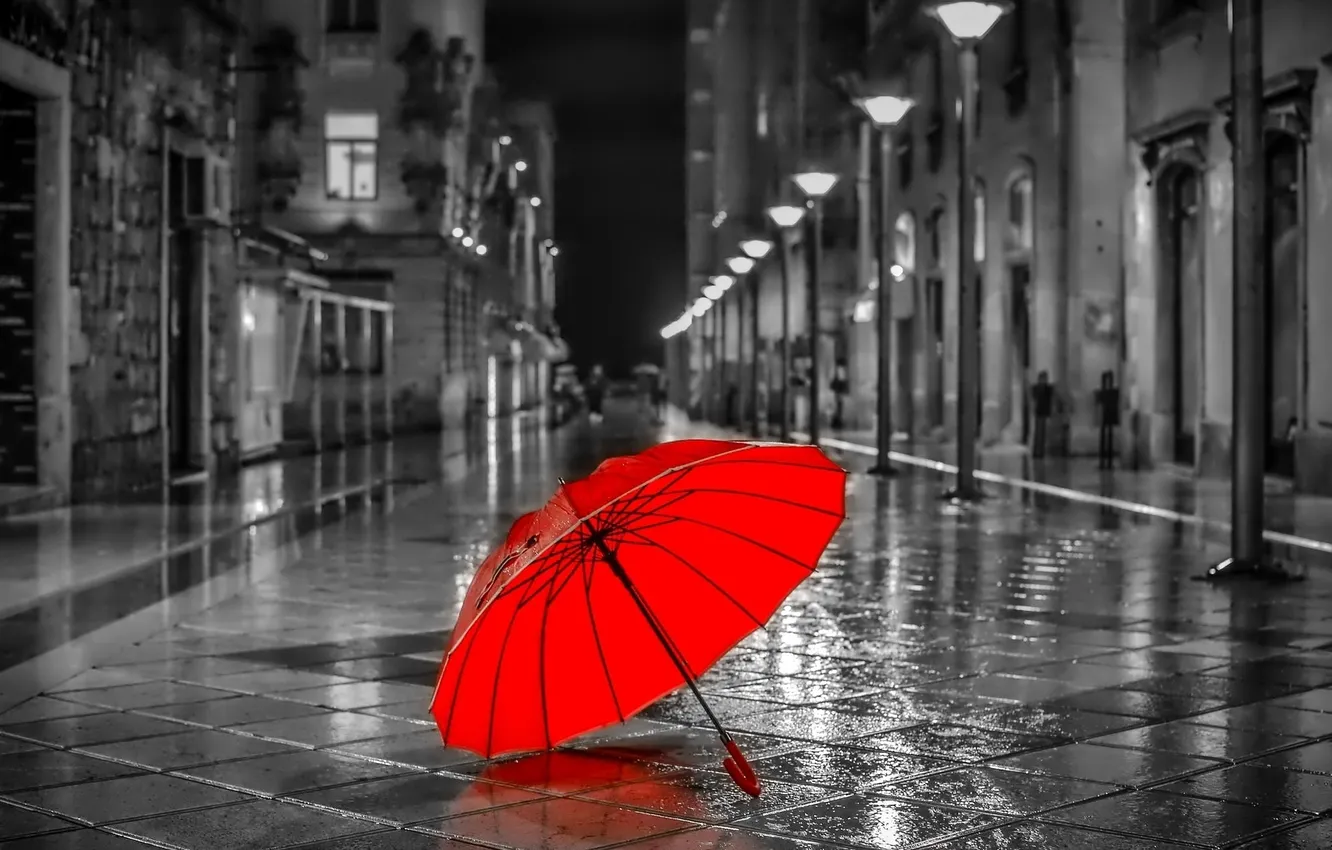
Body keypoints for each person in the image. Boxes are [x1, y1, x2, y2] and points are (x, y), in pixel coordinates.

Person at [1093, 370, 1120, 469]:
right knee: (1103, 439)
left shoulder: (1113, 392)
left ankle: (1109, 461)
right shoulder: (1102, 392)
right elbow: (1097, 404)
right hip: (1104, 416)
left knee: (1109, 439)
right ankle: (1102, 461)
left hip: (1110, 416)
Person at [1031, 371, 1055, 459]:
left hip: (1045, 412)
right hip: (1039, 411)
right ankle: (1037, 451)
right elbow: (1034, 399)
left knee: (1043, 433)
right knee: (1038, 432)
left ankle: (1041, 451)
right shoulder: (1037, 388)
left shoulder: (1048, 389)